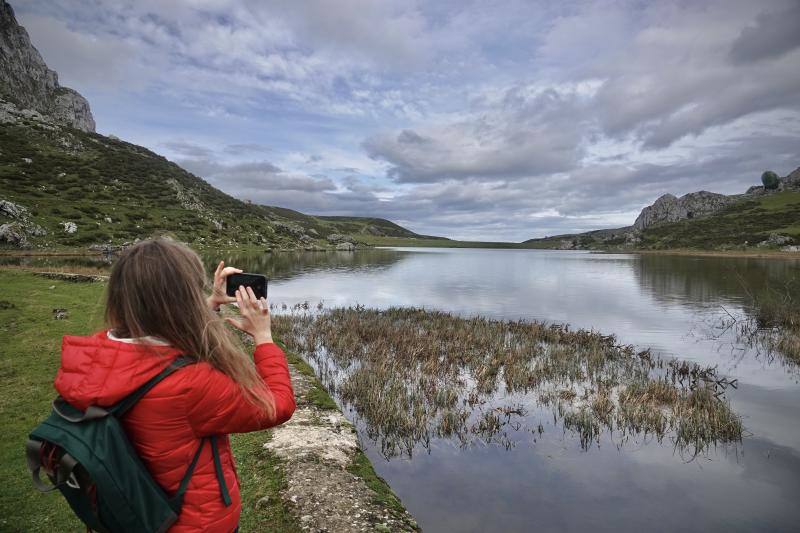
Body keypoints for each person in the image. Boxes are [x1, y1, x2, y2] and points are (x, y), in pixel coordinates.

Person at [53, 238, 295, 532]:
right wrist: (264, 338)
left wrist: (212, 304)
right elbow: (277, 406)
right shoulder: (189, 384)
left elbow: (164, 337)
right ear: (184, 300)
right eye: (196, 290)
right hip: (190, 522)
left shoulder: (98, 355)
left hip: (127, 513)